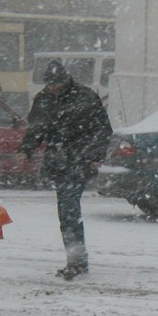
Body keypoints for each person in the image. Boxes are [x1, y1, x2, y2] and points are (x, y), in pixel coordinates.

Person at [18, 60, 112, 281]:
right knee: (67, 212)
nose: (52, 89)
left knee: (69, 211)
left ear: (65, 81)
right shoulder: (45, 99)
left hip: (77, 161)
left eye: (55, 85)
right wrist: (26, 149)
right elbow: (36, 129)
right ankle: (77, 259)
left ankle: (76, 261)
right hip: (59, 162)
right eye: (49, 85)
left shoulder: (85, 97)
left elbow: (102, 129)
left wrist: (95, 155)